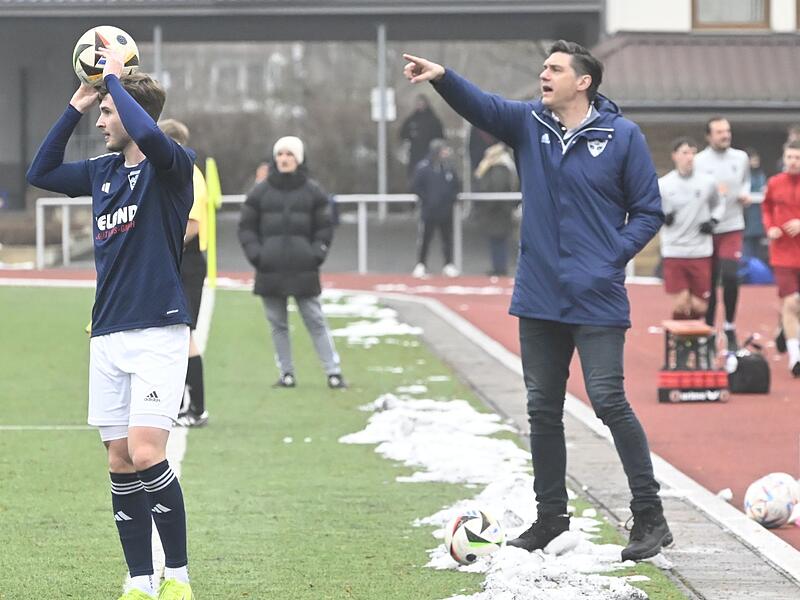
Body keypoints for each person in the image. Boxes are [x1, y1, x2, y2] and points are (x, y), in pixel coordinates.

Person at [403, 40, 671, 561]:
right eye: (543, 67)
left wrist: (610, 256)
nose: (542, 75)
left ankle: (650, 515)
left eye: (553, 69)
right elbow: (481, 105)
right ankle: (551, 518)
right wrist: (442, 76)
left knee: (608, 400)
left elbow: (647, 211)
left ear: (583, 81)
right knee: (542, 409)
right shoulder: (530, 123)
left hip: (596, 296)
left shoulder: (623, 136)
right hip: (540, 296)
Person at [26, 49, 195, 600]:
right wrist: (77, 104)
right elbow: (40, 172)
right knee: (120, 462)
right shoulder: (100, 172)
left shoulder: (173, 167)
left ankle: (178, 578)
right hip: (108, 334)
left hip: (157, 332)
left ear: (128, 111)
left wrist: (115, 85)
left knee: (148, 452)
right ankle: (141, 582)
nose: (100, 123)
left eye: (105, 113)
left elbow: (148, 132)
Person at [237, 135, 346, 389]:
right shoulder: (260, 192)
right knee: (278, 325)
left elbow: (325, 227)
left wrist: (316, 254)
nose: (284, 159)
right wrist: (257, 255)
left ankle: (333, 372)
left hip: (304, 269)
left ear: (299, 158)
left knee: (316, 321)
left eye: (289, 154)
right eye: (280, 154)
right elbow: (246, 228)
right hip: (270, 270)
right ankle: (286, 374)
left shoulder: (314, 191)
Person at [159, 119, 209, 428]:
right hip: (175, 261)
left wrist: (160, 247)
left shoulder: (190, 173)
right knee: (169, 335)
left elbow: (192, 224)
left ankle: (197, 408)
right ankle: (174, 404)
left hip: (186, 262)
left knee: (183, 335)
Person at [694, 117, 751, 350]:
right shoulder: (699, 161)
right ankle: (708, 327)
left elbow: (746, 182)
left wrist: (745, 194)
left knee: (730, 275)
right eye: (719, 132)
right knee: (708, 282)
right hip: (708, 229)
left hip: (732, 226)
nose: (725, 135)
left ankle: (729, 325)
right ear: (709, 136)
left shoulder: (741, 157)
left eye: (727, 131)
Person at [658, 137, 722, 320]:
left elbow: (719, 204)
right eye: (685, 153)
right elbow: (651, 210)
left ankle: (692, 339)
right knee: (681, 302)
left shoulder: (707, 182)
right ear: (675, 156)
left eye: (693, 153)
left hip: (700, 250)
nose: (690, 157)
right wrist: (662, 217)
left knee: (699, 306)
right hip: (674, 249)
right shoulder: (664, 184)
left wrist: (713, 221)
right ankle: (679, 343)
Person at [762, 140, 800, 377]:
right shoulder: (775, 183)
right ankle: (795, 356)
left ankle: (782, 330)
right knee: (791, 302)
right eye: (789, 158)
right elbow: (765, 208)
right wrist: (770, 228)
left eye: (797, 158)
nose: (793, 162)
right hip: (783, 253)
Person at [410, 139, 461, 278]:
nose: (446, 152)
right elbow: (416, 186)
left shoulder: (449, 168)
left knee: (447, 238)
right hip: (429, 211)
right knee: (425, 238)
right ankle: (421, 264)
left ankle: (448, 264)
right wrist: (427, 199)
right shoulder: (423, 168)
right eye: (443, 150)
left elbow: (456, 186)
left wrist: (451, 198)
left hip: (445, 211)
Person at [473, 142, 518, 276]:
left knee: (498, 239)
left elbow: (497, 188)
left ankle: (500, 267)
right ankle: (498, 266)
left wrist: (489, 205)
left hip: (498, 210)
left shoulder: (500, 168)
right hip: (499, 209)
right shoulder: (504, 167)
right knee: (497, 239)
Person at [399, 94, 444, 178]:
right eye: (418, 103)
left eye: (422, 103)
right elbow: (402, 134)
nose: (420, 105)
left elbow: (440, 136)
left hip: (430, 153)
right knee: (414, 174)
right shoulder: (411, 119)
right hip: (414, 153)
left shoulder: (433, 120)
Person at [742, 147, 768, 264]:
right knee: (747, 246)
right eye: (752, 159)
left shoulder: (761, 174)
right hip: (747, 215)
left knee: (759, 247)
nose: (754, 162)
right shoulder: (743, 176)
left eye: (756, 159)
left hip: (759, 214)